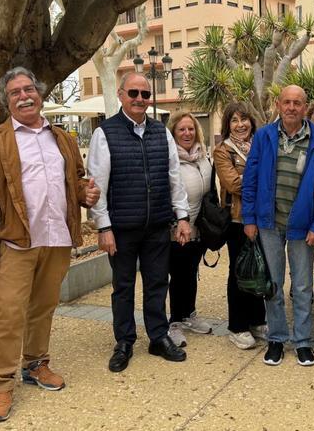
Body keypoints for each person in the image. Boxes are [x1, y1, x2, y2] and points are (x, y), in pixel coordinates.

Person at [0, 67, 100, 422]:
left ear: (40, 94)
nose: (24, 96)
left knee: (43, 307)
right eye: (15, 92)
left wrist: (84, 193)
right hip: (14, 242)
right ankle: (0, 386)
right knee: (6, 315)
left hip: (56, 238)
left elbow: (74, 181)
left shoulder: (62, 138)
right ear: (6, 101)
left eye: (30, 88)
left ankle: (35, 364)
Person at [87, 72, 192, 374]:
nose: (139, 100)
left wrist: (182, 217)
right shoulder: (105, 134)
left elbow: (175, 178)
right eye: (133, 93)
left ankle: (158, 336)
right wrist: (103, 227)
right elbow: (98, 187)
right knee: (123, 287)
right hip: (121, 228)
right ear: (121, 95)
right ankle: (124, 341)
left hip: (157, 225)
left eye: (145, 95)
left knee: (158, 283)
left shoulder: (162, 132)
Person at [242, 84, 314, 367]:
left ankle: (303, 341)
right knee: (272, 284)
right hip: (269, 222)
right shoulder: (264, 136)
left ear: (305, 106)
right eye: (287, 102)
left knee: (303, 286)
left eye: (298, 102)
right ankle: (277, 338)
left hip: (303, 225)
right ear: (278, 104)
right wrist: (249, 218)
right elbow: (250, 180)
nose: (292, 107)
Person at [213, 102, 268, 349]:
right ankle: (237, 326)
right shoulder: (223, 151)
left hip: (261, 217)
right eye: (234, 120)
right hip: (237, 220)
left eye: (244, 119)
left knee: (258, 268)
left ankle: (257, 321)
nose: (240, 124)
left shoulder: (260, 144)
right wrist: (262, 178)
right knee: (239, 271)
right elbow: (233, 184)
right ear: (227, 125)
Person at [165, 112, 214, 348]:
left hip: (198, 228)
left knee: (191, 272)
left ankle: (189, 314)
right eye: (182, 130)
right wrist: (178, 222)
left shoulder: (203, 157)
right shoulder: (169, 158)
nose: (187, 133)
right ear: (174, 132)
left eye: (191, 129)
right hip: (177, 228)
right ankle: (174, 322)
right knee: (178, 275)